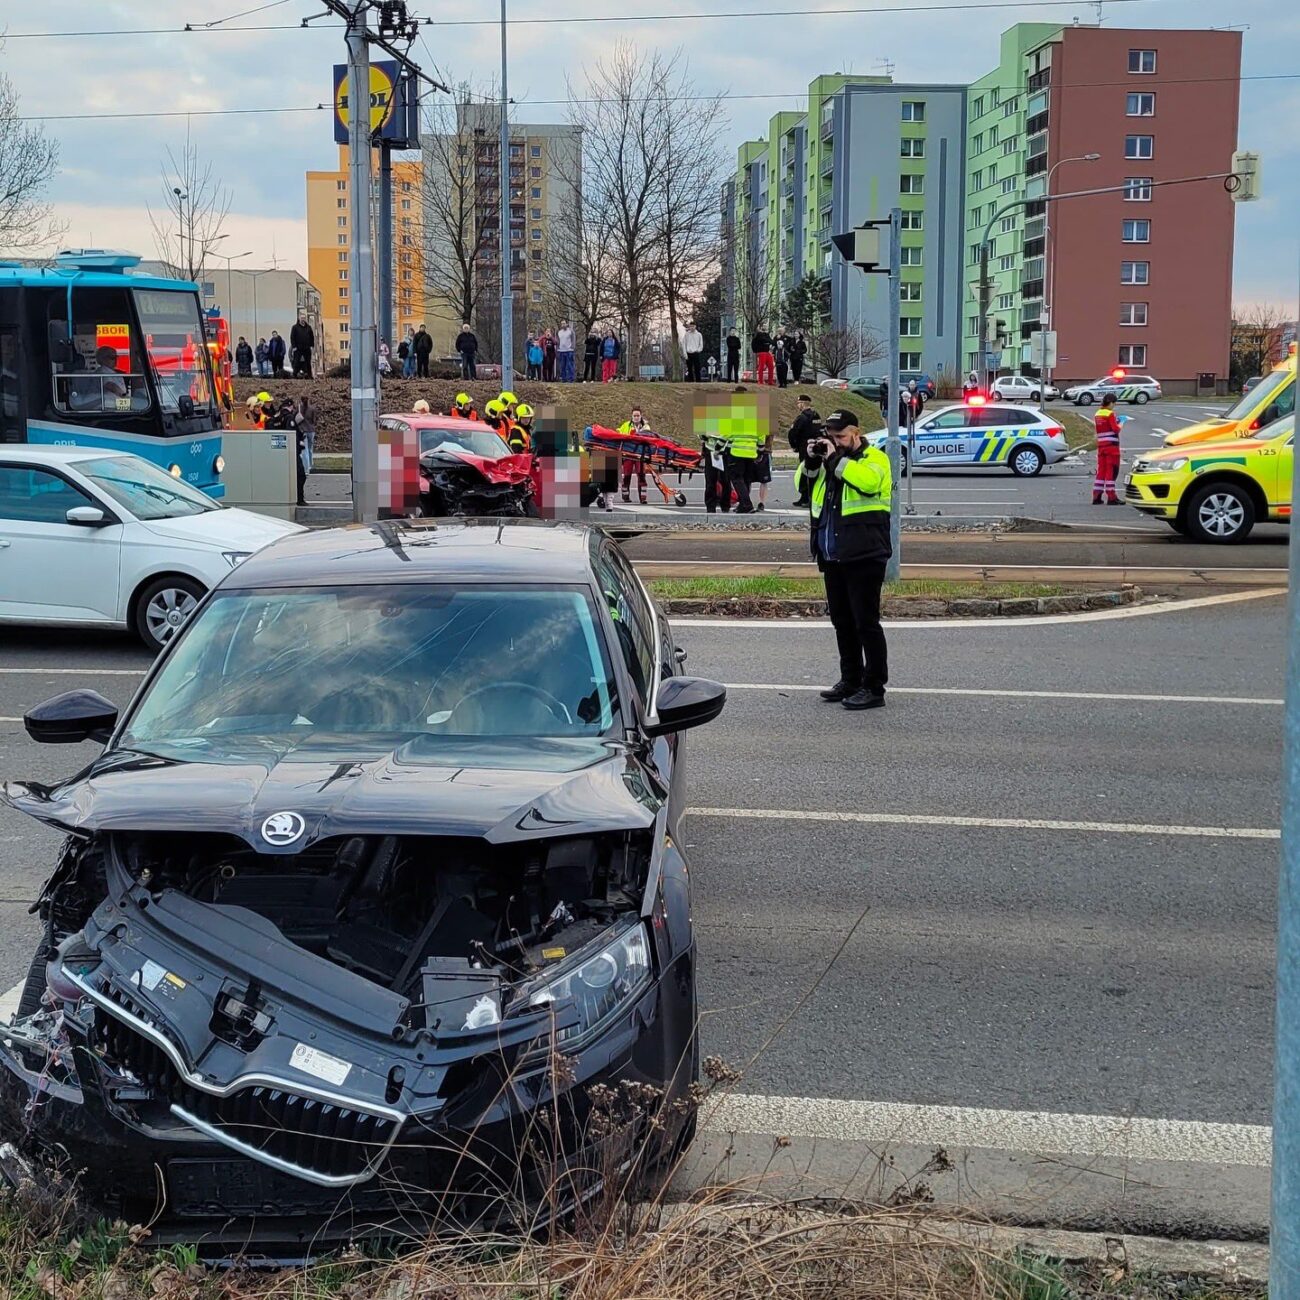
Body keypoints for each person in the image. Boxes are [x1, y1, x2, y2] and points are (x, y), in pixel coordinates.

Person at [799, 409, 892, 711]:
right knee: (842, 622)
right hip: (833, 554)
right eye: (831, 437)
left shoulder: (874, 458)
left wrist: (835, 460)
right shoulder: (830, 460)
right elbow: (803, 485)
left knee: (866, 623)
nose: (835, 441)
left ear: (856, 432)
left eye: (840, 436)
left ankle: (874, 686)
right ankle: (850, 679)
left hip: (865, 553)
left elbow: (867, 483)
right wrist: (813, 461)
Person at [721, 395, 759, 513]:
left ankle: (747, 504)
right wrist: (761, 446)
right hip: (751, 452)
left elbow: (727, 433)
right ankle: (743, 505)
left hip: (737, 451)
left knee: (737, 479)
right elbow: (762, 432)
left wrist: (719, 446)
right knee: (746, 479)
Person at [787, 392, 821, 508]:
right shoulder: (816, 416)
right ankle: (805, 497)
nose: (798, 405)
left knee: (805, 473)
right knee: (811, 473)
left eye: (798, 403)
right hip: (815, 448)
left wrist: (794, 446)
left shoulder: (802, 417)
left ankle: (806, 498)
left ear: (802, 404)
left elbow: (793, 432)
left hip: (804, 447)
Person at [618, 407, 650, 504]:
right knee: (627, 475)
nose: (636, 417)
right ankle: (625, 496)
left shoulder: (646, 427)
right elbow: (619, 435)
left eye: (638, 415)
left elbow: (649, 439)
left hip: (640, 455)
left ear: (641, 416)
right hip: (628, 454)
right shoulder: (626, 425)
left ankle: (643, 498)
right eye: (634, 415)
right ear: (632, 416)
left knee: (641, 475)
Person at [1093, 400, 1123, 504]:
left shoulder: (1097, 414)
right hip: (1111, 447)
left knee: (1101, 470)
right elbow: (1115, 429)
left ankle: (1096, 495)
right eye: (1114, 403)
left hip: (1101, 446)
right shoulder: (1110, 414)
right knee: (1111, 471)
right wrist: (1121, 424)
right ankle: (1111, 497)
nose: (1114, 406)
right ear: (1110, 403)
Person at [701, 431, 730, 514]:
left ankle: (724, 506)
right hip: (711, 449)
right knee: (711, 480)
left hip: (724, 450)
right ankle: (711, 507)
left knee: (725, 480)